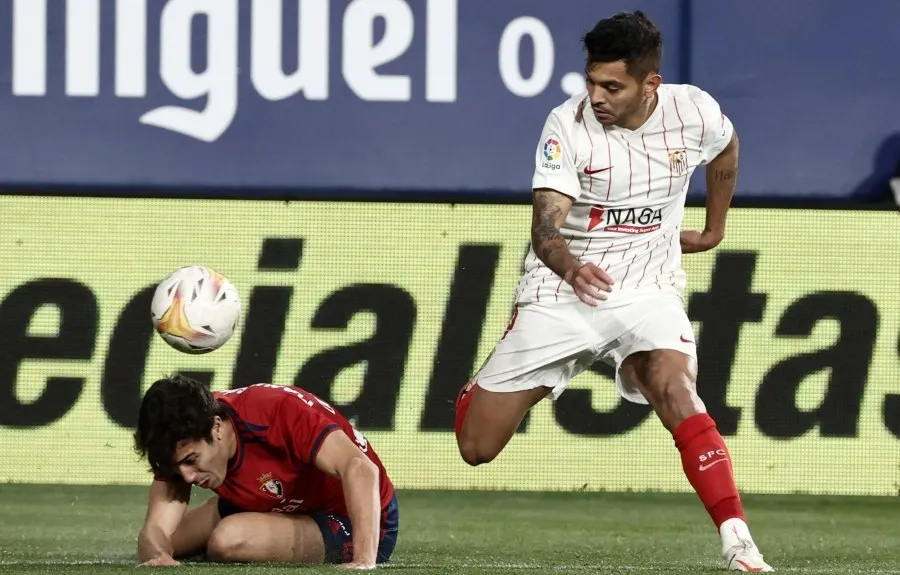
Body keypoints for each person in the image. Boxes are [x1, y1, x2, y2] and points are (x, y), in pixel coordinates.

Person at [454, 11, 773, 573]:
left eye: (612, 86)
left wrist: (717, 225)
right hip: (562, 293)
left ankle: (738, 541)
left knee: (675, 388)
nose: (596, 96)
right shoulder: (567, 125)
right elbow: (545, 228)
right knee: (477, 449)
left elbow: (727, 146)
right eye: (591, 81)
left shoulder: (693, 110)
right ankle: (480, 386)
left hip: (647, 288)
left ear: (650, 84)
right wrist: (570, 266)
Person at [133, 375, 398, 570]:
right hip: (278, 504)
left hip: (355, 518)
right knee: (170, 543)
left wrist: (363, 561)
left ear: (216, 427)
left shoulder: (276, 411)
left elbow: (361, 469)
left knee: (229, 540)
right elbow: (155, 530)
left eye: (192, 461)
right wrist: (159, 556)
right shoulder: (179, 433)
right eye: (177, 468)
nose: (188, 477)